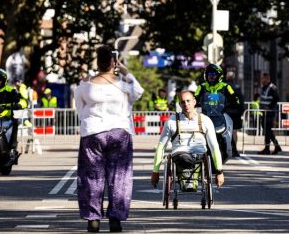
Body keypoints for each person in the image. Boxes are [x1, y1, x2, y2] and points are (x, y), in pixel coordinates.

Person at [74, 45, 144, 233]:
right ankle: (115, 217)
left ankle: (93, 217)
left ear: (97, 62)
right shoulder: (123, 84)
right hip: (119, 132)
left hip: (93, 133)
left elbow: (79, 109)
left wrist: (90, 122)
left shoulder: (86, 84)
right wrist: (127, 72)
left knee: (92, 176)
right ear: (114, 62)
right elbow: (139, 92)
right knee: (119, 176)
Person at [151, 90, 225, 191]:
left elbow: (214, 147)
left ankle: (191, 181)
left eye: (188, 101)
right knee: (183, 158)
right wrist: (155, 171)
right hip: (179, 156)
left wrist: (219, 171)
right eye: (183, 102)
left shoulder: (205, 120)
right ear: (179, 104)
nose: (186, 104)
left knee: (199, 157)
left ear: (194, 102)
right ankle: (185, 181)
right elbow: (161, 146)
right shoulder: (171, 121)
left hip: (199, 156)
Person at [194, 64, 242, 163]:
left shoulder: (226, 86)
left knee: (228, 132)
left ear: (219, 75)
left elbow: (235, 98)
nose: (211, 76)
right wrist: (194, 103)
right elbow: (194, 98)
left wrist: (234, 104)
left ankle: (229, 148)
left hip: (221, 114)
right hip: (206, 115)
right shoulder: (202, 87)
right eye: (209, 74)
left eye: (213, 74)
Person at [258, 73, 281, 155]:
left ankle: (267, 148)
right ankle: (276, 146)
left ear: (267, 79)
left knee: (267, 131)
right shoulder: (264, 88)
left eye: (263, 79)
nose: (262, 80)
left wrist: (270, 107)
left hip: (270, 113)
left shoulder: (272, 88)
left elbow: (277, 98)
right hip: (264, 112)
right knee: (267, 131)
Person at [224, 71, 245, 157]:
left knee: (225, 131)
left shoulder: (224, 87)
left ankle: (227, 149)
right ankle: (234, 149)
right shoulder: (237, 87)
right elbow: (241, 100)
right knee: (234, 131)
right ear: (234, 78)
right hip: (236, 112)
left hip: (226, 111)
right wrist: (241, 111)